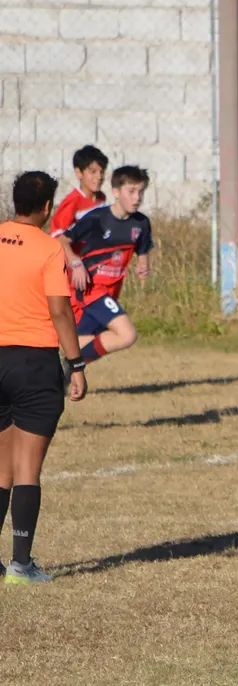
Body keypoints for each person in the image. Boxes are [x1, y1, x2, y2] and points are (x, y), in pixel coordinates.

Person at [0, 171, 88, 585]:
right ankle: (21, 564)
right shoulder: (48, 248)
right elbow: (59, 310)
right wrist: (77, 364)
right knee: (26, 468)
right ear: (48, 206)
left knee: (1, 467)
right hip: (33, 363)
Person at [58, 165, 154, 371]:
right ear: (116, 192)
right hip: (90, 289)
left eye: (141, 191)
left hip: (110, 292)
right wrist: (76, 263)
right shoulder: (97, 218)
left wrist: (143, 264)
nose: (137, 197)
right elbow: (62, 241)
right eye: (131, 191)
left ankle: (61, 373)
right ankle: (68, 368)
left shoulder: (141, 223)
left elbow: (143, 249)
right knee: (127, 334)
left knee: (80, 345)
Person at [50, 145, 108, 240]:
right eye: (93, 172)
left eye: (101, 172)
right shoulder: (72, 202)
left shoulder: (101, 198)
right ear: (79, 173)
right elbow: (58, 237)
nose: (99, 177)